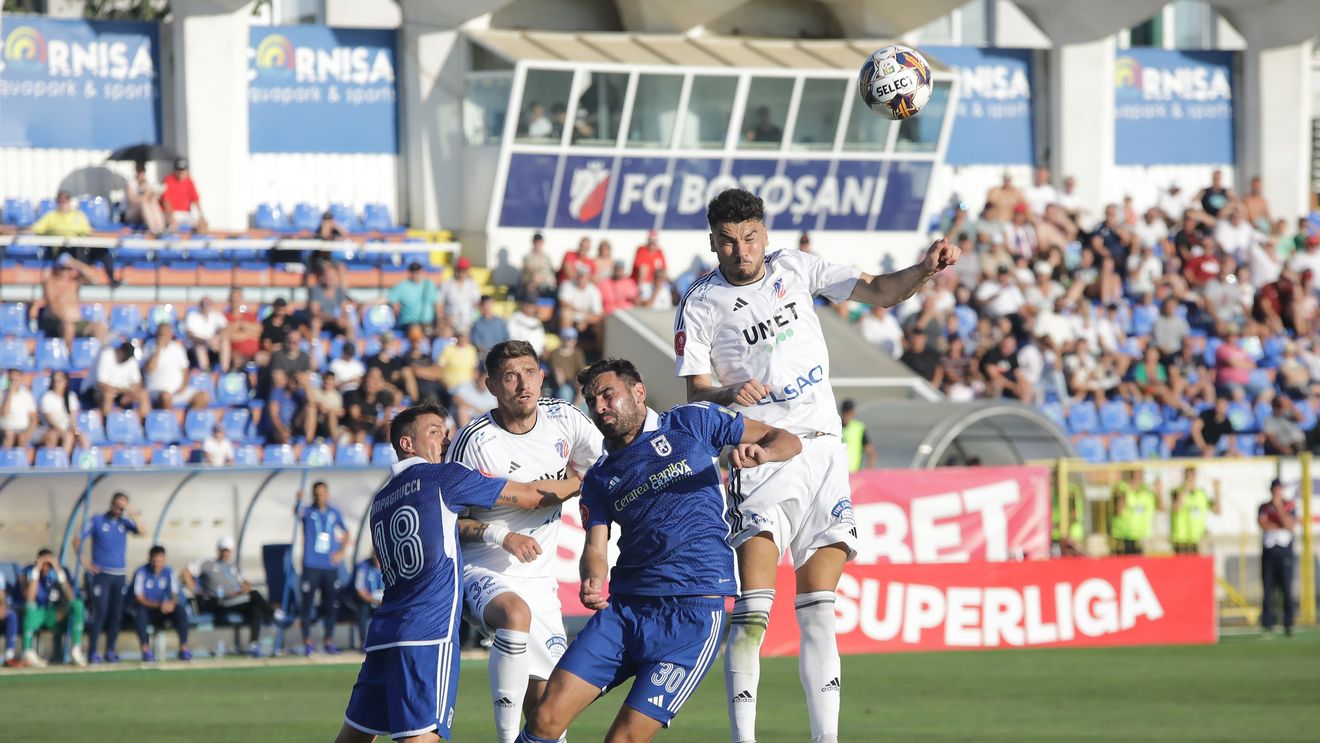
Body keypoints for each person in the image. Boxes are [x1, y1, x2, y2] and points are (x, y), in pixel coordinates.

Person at [675, 188, 957, 743]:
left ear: (764, 233)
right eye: (728, 241)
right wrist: (728, 391)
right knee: (754, 611)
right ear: (713, 242)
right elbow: (695, 393)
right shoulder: (701, 303)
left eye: (750, 237)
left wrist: (925, 269)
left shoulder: (796, 267)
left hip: (825, 451)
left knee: (820, 610)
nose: (741, 250)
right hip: (763, 453)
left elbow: (881, 292)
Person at [518, 358, 801, 743]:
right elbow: (596, 547)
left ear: (638, 392)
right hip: (624, 614)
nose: (599, 406)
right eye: (592, 400)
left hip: (692, 614)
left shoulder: (691, 422)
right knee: (545, 717)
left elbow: (786, 440)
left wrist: (764, 455)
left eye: (607, 394)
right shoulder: (599, 477)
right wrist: (591, 578)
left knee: (622, 740)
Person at [333, 400, 583, 743]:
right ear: (407, 443)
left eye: (446, 432)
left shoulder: (382, 499)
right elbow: (529, 495)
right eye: (435, 432)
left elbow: (442, 532)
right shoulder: (443, 477)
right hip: (427, 634)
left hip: (384, 633)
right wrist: (583, 480)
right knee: (422, 737)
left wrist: (497, 535)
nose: (446, 440)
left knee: (353, 738)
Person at [446, 341, 604, 743]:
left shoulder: (564, 418)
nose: (523, 384)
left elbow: (606, 466)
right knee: (515, 615)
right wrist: (501, 534)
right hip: (483, 569)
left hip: (540, 580)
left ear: (541, 376)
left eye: (530, 373)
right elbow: (448, 521)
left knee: (548, 712)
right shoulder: (475, 441)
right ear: (491, 386)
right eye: (510, 376)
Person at [73, 492, 144, 663]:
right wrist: (85, 563)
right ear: (111, 504)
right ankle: (92, 651)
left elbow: (142, 531)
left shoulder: (124, 522)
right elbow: (76, 540)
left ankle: (110, 649)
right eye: (117, 505)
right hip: (102, 575)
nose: (119, 510)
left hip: (119, 575)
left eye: (122, 507)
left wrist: (130, 510)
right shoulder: (97, 520)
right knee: (100, 613)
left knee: (116, 614)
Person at [189, 536, 276, 657]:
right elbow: (186, 572)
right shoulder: (208, 563)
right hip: (219, 602)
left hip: (234, 600)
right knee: (255, 595)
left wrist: (243, 588)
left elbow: (245, 583)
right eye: (223, 550)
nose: (225, 553)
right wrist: (196, 590)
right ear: (219, 550)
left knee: (255, 607)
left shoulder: (233, 567)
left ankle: (253, 644)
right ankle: (274, 614)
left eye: (228, 550)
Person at [294, 481, 351, 656]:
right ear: (313, 495)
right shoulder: (308, 511)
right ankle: (307, 642)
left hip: (329, 566)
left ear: (327, 494)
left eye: (322, 494)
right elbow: (297, 512)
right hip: (311, 565)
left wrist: (341, 552)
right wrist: (298, 501)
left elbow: (346, 532)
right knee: (307, 604)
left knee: (331, 604)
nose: (320, 497)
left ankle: (329, 641)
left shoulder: (334, 512)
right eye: (317, 494)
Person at [19, 549, 86, 667]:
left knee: (77, 604)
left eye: (48, 564)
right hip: (39, 613)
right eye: (43, 563)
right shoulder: (29, 572)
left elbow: (71, 597)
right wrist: (37, 569)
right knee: (29, 607)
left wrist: (58, 570)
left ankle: (76, 649)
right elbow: (29, 597)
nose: (46, 568)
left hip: (56, 613)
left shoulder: (61, 571)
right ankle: (27, 651)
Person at [131, 545, 192, 662]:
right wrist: (159, 605)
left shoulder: (168, 572)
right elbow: (139, 598)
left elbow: (175, 594)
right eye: (154, 561)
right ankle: (145, 650)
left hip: (163, 609)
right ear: (149, 559)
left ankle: (183, 648)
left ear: (164, 560)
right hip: (148, 609)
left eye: (159, 561)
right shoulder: (141, 572)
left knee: (180, 610)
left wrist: (171, 604)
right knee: (140, 613)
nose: (156, 564)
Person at [1258, 479, 1296, 637]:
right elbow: (1263, 524)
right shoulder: (1264, 506)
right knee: (1268, 589)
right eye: (1275, 489)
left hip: (1284, 551)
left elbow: (1289, 524)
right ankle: (1268, 623)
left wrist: (1279, 507)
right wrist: (1278, 526)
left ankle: (1288, 623)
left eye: (1279, 489)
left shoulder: (1289, 505)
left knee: (1286, 588)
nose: (1277, 492)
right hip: (1269, 552)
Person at [41, 256, 105, 349]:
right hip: (58, 322)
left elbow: (95, 278)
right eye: (62, 268)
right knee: (68, 326)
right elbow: (52, 303)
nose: (64, 271)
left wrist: (76, 263)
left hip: (76, 321)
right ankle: (67, 354)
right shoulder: (51, 283)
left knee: (100, 327)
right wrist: (64, 317)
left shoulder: (74, 282)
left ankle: (101, 353)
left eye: (68, 268)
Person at [145, 322, 209, 410]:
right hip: (158, 390)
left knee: (203, 396)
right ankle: (168, 418)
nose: (162, 336)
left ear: (170, 335)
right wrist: (158, 349)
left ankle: (190, 418)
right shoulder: (149, 346)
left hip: (177, 391)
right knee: (166, 397)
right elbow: (150, 369)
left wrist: (183, 386)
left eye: (165, 333)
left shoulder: (178, 348)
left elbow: (185, 370)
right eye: (160, 333)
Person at [91, 340, 152, 422]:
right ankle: (108, 424)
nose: (126, 358)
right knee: (108, 395)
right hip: (100, 392)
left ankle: (145, 424)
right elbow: (101, 384)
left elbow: (137, 383)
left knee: (143, 394)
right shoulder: (107, 354)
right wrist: (124, 389)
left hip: (123, 393)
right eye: (125, 355)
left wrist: (126, 391)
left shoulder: (130, 359)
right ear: (119, 351)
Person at [1169, 467, 1221, 555]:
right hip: (1180, 541)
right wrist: (1186, 490)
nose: (1190, 478)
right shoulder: (1177, 492)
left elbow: (1217, 511)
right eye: (1188, 476)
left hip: (1197, 540)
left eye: (1192, 475)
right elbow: (1176, 508)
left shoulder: (1202, 493)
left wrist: (1217, 493)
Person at [1109, 472, 1162, 555]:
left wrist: (1158, 492)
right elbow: (1118, 511)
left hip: (1142, 538)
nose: (1138, 477)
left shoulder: (1147, 491)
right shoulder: (1121, 488)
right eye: (1135, 474)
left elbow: (1161, 508)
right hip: (1123, 537)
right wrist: (1127, 490)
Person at [39, 370, 88, 457]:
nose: (56, 384)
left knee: (83, 437)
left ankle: (85, 460)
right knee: (68, 437)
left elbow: (73, 421)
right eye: (54, 381)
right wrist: (63, 431)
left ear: (65, 382)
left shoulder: (71, 397)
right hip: (52, 428)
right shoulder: (47, 397)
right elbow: (50, 421)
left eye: (59, 381)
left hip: (67, 428)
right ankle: (63, 461)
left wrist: (77, 432)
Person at [389, 262, 441, 331]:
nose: (415, 274)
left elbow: (437, 304)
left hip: (427, 323)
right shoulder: (402, 285)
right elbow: (390, 299)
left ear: (422, 272)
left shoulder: (429, 285)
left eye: (417, 272)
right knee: (415, 330)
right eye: (413, 272)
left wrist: (438, 321)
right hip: (408, 323)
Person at [184, 296, 229, 372]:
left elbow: (225, 330)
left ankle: (224, 369)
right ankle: (205, 371)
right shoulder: (192, 316)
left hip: (214, 344)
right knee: (199, 346)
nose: (206, 306)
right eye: (204, 304)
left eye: (208, 304)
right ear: (200, 305)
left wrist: (216, 339)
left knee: (225, 341)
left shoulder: (217, 315)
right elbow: (191, 335)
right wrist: (206, 341)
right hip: (196, 345)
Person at [160, 158, 205, 231]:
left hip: (185, 214)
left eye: (183, 171)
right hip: (171, 213)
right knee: (172, 227)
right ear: (175, 171)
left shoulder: (189, 181)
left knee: (201, 225)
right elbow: (166, 200)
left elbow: (196, 200)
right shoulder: (168, 180)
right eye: (179, 171)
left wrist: (201, 216)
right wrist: (171, 217)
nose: (181, 173)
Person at [441, 257, 482, 335]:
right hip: (450, 321)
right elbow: (440, 303)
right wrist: (444, 318)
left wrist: (474, 318)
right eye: (460, 269)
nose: (462, 272)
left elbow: (477, 304)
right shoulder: (447, 284)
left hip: (468, 322)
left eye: (464, 270)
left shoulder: (472, 285)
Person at [351, 554, 384, 652]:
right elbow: (359, 589)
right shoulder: (363, 566)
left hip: (383, 601)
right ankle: (364, 642)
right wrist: (373, 599)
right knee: (362, 609)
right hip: (367, 600)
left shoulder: (390, 565)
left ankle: (384, 642)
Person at [124, 161, 166, 235]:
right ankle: (153, 228)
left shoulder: (145, 183)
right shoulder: (130, 183)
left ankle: (161, 227)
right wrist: (145, 196)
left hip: (141, 212)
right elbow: (133, 200)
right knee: (144, 204)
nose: (142, 174)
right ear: (136, 171)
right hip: (130, 213)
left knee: (153, 203)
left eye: (143, 171)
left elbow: (151, 198)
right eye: (140, 171)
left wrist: (153, 194)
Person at [1, 369, 38, 448]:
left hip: (23, 428)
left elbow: (34, 418)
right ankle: (5, 455)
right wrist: (10, 393)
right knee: (9, 435)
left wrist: (28, 433)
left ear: (21, 378)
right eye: (12, 380)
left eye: (16, 379)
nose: (14, 382)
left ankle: (21, 456)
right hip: (6, 428)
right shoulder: (2, 394)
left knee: (22, 437)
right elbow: (4, 413)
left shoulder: (27, 394)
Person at [838, 400, 876, 472]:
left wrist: (870, 471)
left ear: (853, 413)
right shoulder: (835, 427)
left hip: (854, 471)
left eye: (849, 413)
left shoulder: (859, 428)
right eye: (845, 413)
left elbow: (870, 451)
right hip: (838, 471)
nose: (846, 416)